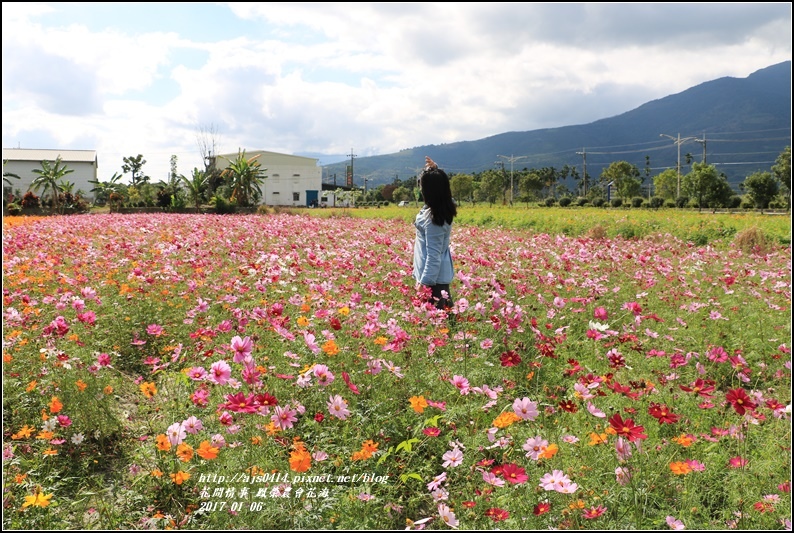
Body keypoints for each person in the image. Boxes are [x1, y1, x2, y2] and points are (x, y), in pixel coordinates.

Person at [413, 156, 457, 311]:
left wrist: (424, 284)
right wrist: (436, 170)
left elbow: (434, 256)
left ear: (429, 191)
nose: (420, 189)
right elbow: (446, 194)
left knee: (439, 326)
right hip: (434, 277)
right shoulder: (441, 207)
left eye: (422, 186)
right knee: (442, 325)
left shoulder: (433, 219)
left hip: (433, 281)